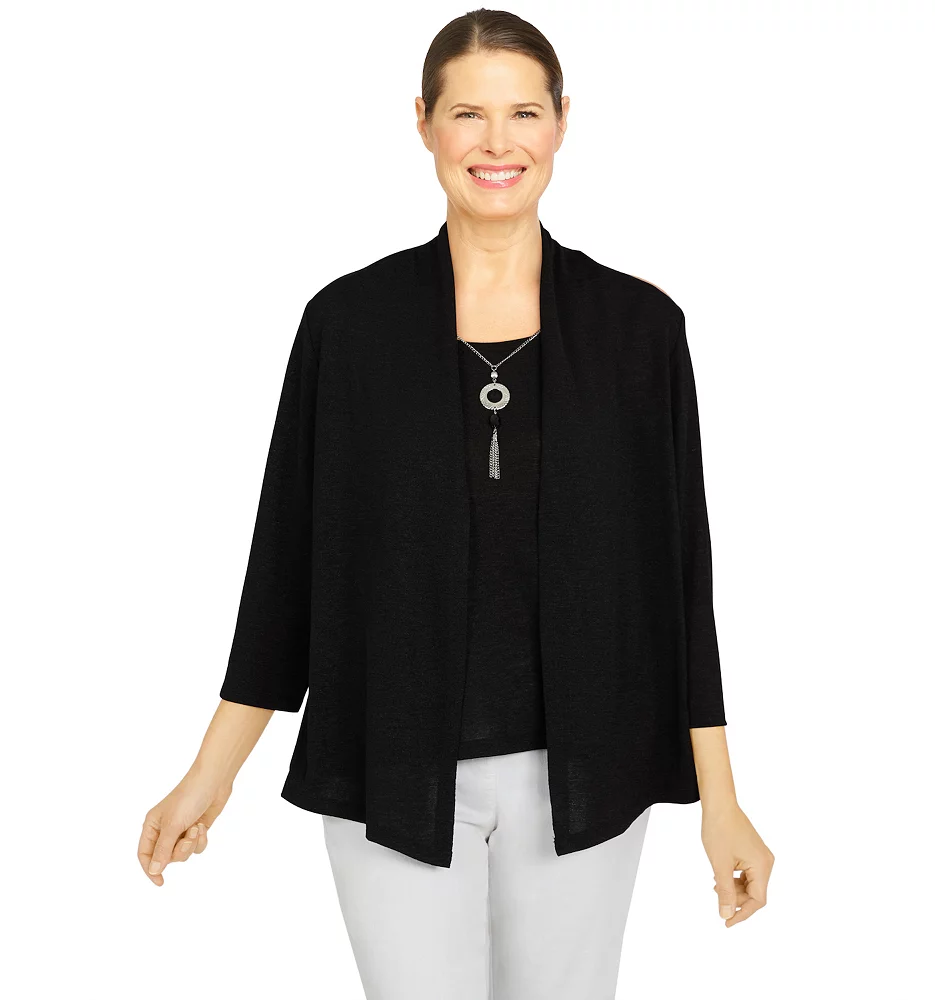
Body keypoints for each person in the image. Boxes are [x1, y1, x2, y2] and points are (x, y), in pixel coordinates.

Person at [138, 9, 774, 998]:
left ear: (562, 122)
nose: (496, 142)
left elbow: (681, 585)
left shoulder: (639, 330)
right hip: (388, 763)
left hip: (588, 771)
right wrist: (208, 775)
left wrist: (721, 802)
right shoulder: (348, 325)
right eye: (468, 114)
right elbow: (286, 572)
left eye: (523, 113)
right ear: (424, 122)